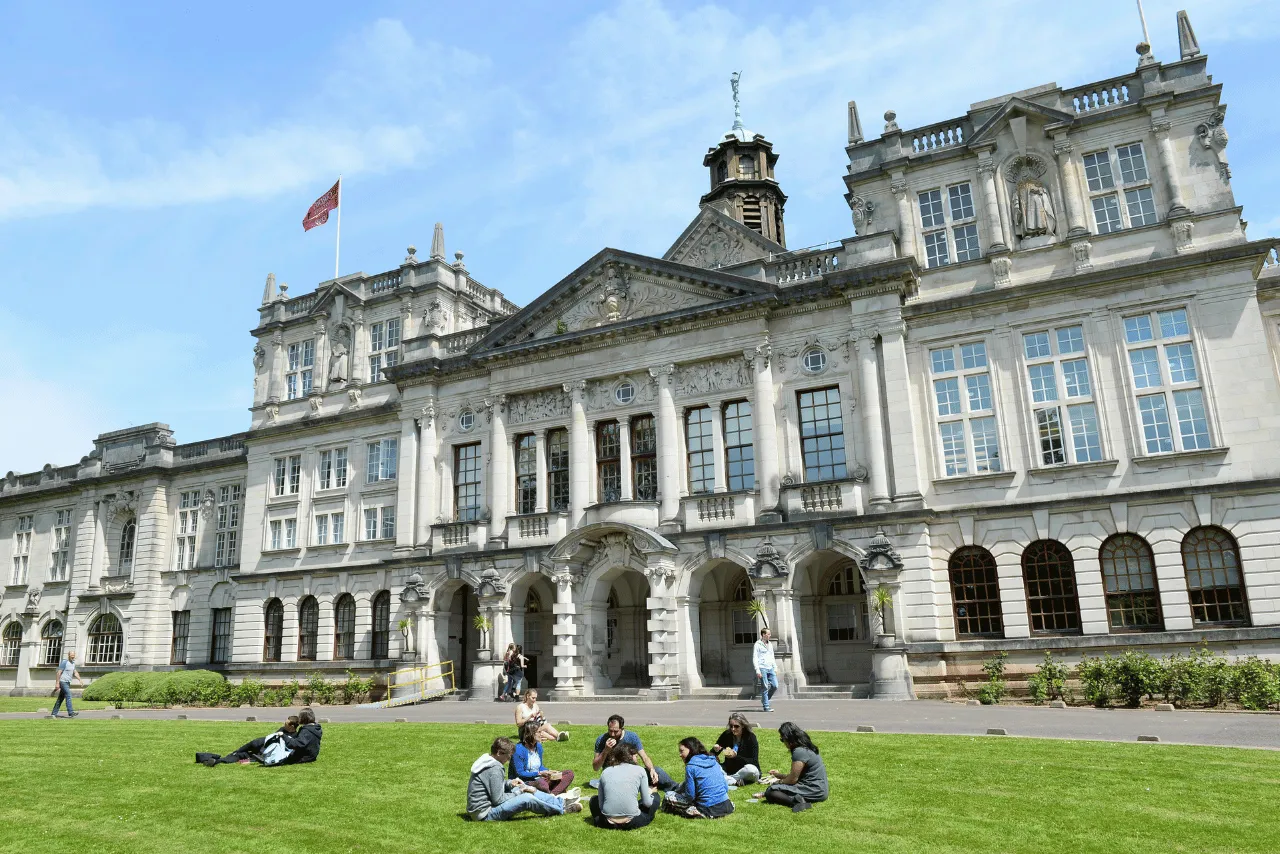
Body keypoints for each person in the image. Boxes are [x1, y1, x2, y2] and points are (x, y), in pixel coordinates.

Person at [467, 736, 582, 821]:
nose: (507, 760)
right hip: (485, 814)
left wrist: (510, 783)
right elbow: (498, 800)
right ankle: (562, 810)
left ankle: (560, 802)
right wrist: (519, 791)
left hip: (484, 808)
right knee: (526, 798)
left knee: (527, 788)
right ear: (498, 752)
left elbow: (493, 785)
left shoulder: (487, 761)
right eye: (507, 757)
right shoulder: (494, 768)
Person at [197, 707, 324, 767]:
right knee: (248, 753)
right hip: (300, 756)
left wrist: (283, 737)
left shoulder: (306, 731)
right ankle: (221, 758)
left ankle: (218, 760)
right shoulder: (313, 729)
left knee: (247, 754)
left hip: (293, 757)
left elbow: (296, 744)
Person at [753, 721, 829, 813]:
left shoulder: (799, 752)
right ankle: (797, 799)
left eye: (782, 739)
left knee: (771, 791)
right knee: (775, 788)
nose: (783, 743)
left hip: (814, 790)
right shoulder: (806, 748)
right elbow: (796, 776)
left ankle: (797, 802)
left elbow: (792, 780)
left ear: (788, 739)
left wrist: (778, 783)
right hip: (819, 790)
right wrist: (779, 775)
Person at [591, 715, 675, 791]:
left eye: (616, 731)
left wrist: (651, 770)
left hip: (630, 772)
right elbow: (595, 767)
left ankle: (676, 788)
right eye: (610, 731)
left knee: (657, 771)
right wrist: (605, 751)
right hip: (613, 775)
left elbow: (644, 757)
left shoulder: (631, 737)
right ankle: (643, 787)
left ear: (622, 729)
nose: (612, 734)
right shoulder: (601, 740)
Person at [589, 743, 662, 830]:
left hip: (607, 822)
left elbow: (601, 806)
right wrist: (651, 793)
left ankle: (601, 821)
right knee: (656, 797)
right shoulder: (640, 770)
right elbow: (647, 803)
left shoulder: (606, 771)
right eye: (635, 755)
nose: (637, 758)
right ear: (630, 756)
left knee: (594, 799)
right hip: (632, 821)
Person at [663, 737, 734, 819]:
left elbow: (690, 796)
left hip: (709, 809)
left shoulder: (691, 767)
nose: (680, 755)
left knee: (668, 795)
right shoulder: (713, 761)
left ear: (691, 749)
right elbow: (725, 787)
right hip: (726, 805)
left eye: (682, 751)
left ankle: (699, 813)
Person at [511, 720, 576, 795]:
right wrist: (539, 773)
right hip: (525, 782)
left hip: (539, 779)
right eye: (539, 732)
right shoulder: (518, 750)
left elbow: (540, 766)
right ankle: (554, 792)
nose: (542, 734)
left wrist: (549, 771)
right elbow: (520, 773)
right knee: (542, 784)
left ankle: (552, 795)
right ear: (530, 734)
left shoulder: (538, 746)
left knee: (568, 774)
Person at [711, 712, 760, 787]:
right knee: (713, 766)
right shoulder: (727, 735)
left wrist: (735, 757)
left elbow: (754, 761)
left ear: (743, 725)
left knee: (752, 770)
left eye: (736, 726)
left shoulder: (750, 738)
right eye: (731, 726)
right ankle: (733, 781)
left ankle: (726, 780)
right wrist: (715, 750)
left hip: (744, 770)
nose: (733, 729)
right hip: (729, 769)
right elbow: (712, 754)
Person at [50, 650, 82, 718]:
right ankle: (71, 712)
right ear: (69, 655)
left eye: (73, 655)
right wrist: (57, 683)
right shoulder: (64, 662)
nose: (72, 656)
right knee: (68, 695)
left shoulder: (73, 663)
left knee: (61, 698)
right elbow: (58, 673)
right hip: (62, 681)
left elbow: (75, 672)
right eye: (71, 655)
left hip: (68, 682)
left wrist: (80, 680)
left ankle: (53, 713)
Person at [753, 627, 778, 713]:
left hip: (770, 667)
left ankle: (765, 699)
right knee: (765, 687)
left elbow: (772, 656)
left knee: (775, 685)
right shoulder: (757, 644)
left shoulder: (770, 644)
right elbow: (755, 658)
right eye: (768, 634)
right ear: (763, 635)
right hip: (762, 667)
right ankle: (766, 706)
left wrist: (775, 667)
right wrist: (757, 670)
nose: (770, 636)